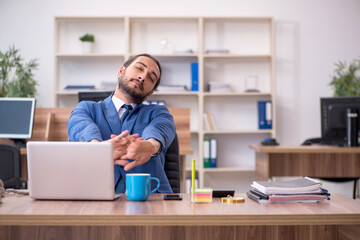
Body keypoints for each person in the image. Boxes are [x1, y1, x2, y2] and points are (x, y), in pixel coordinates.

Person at [67, 54, 176, 193]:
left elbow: (159, 131)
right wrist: (99, 149)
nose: (143, 77)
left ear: (149, 94)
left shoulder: (159, 112)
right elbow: (82, 127)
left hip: (150, 200)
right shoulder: (87, 108)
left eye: (151, 78)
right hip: (96, 198)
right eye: (139, 68)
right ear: (121, 72)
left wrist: (150, 146)